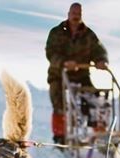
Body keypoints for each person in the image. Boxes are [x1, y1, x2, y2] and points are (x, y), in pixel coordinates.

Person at [45, 2, 108, 145]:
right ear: (68, 14)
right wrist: (64, 62)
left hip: (82, 75)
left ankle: (99, 133)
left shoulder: (88, 34)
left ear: (81, 16)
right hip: (59, 75)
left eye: (78, 14)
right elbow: (50, 53)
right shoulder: (56, 32)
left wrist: (101, 60)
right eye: (73, 14)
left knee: (95, 98)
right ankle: (60, 137)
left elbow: (98, 50)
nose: (76, 16)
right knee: (59, 104)